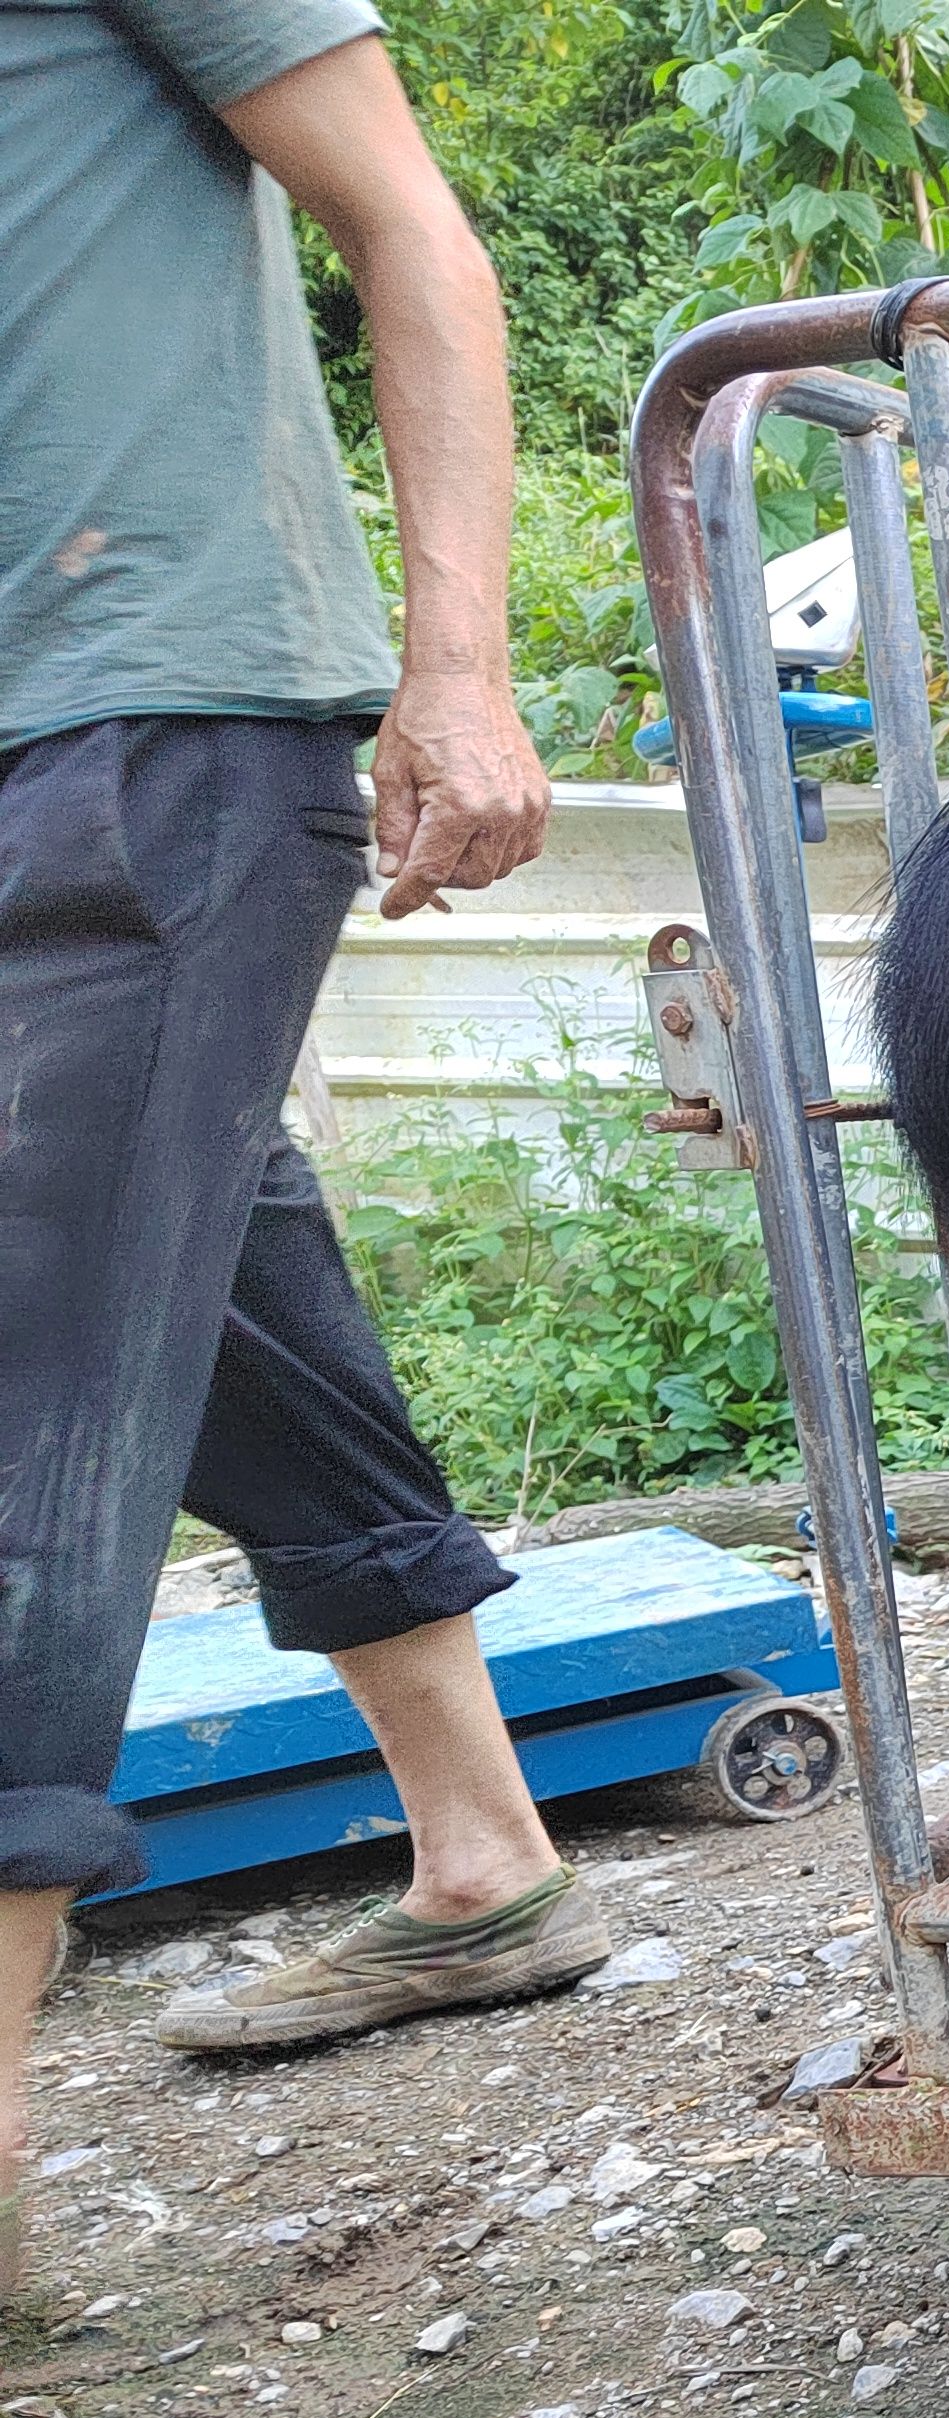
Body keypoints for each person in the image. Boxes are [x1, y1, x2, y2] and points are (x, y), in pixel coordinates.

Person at [1, 0, 613, 2285]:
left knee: (29, 1376)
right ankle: (483, 1860)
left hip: (145, 703)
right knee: (202, 1276)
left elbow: (407, 224)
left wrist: (457, 664)